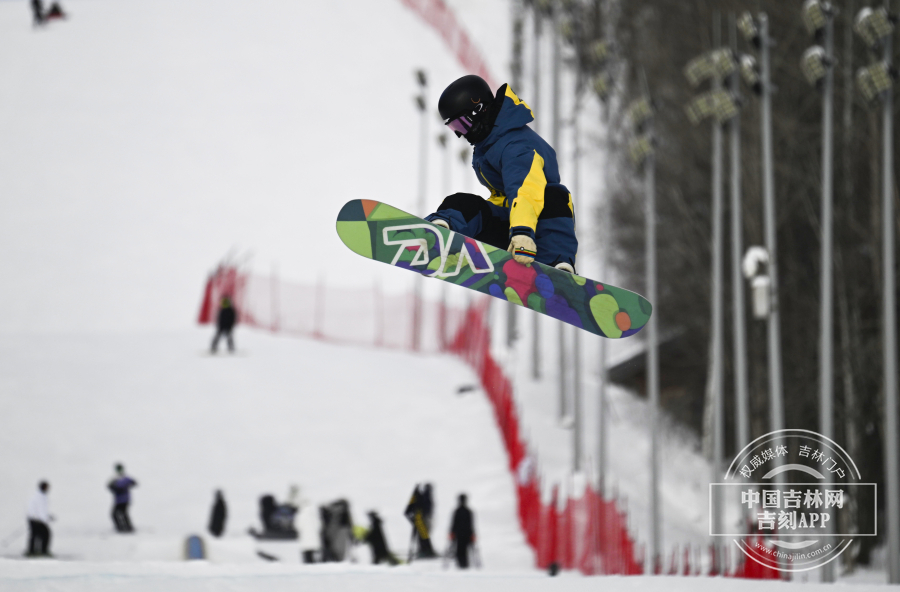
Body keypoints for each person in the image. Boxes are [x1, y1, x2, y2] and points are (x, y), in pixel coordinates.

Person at [426, 75, 578, 274]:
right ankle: (441, 230)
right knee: (465, 203)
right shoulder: (490, 143)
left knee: (555, 197)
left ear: (479, 111)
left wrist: (522, 232)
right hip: (512, 226)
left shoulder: (516, 146)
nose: (461, 134)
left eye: (462, 125)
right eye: (455, 128)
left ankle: (556, 266)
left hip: (537, 229)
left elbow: (525, 191)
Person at [404, 484, 437, 559]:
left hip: (419, 518)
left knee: (423, 536)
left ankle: (425, 550)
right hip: (420, 519)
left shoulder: (420, 495)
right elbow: (426, 508)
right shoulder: (424, 496)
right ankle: (426, 551)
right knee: (423, 536)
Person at [449, 493, 476, 569]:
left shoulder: (458, 511)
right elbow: (471, 525)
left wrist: (452, 533)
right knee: (462, 550)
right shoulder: (468, 511)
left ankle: (462, 565)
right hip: (464, 534)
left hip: (461, 535)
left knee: (461, 551)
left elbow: (454, 524)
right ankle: (463, 565)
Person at [108, 463, 137, 533]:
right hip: (122, 499)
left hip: (122, 500)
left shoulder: (119, 479)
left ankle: (123, 527)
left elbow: (134, 483)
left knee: (118, 514)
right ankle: (126, 527)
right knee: (122, 513)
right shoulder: (119, 479)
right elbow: (134, 483)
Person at [25, 481, 52, 557]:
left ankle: (31, 551)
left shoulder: (39, 496)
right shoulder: (40, 497)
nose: (48, 489)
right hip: (36, 520)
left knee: (34, 535)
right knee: (45, 534)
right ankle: (42, 551)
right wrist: (45, 519)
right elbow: (41, 510)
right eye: (47, 487)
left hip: (33, 518)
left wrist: (47, 516)